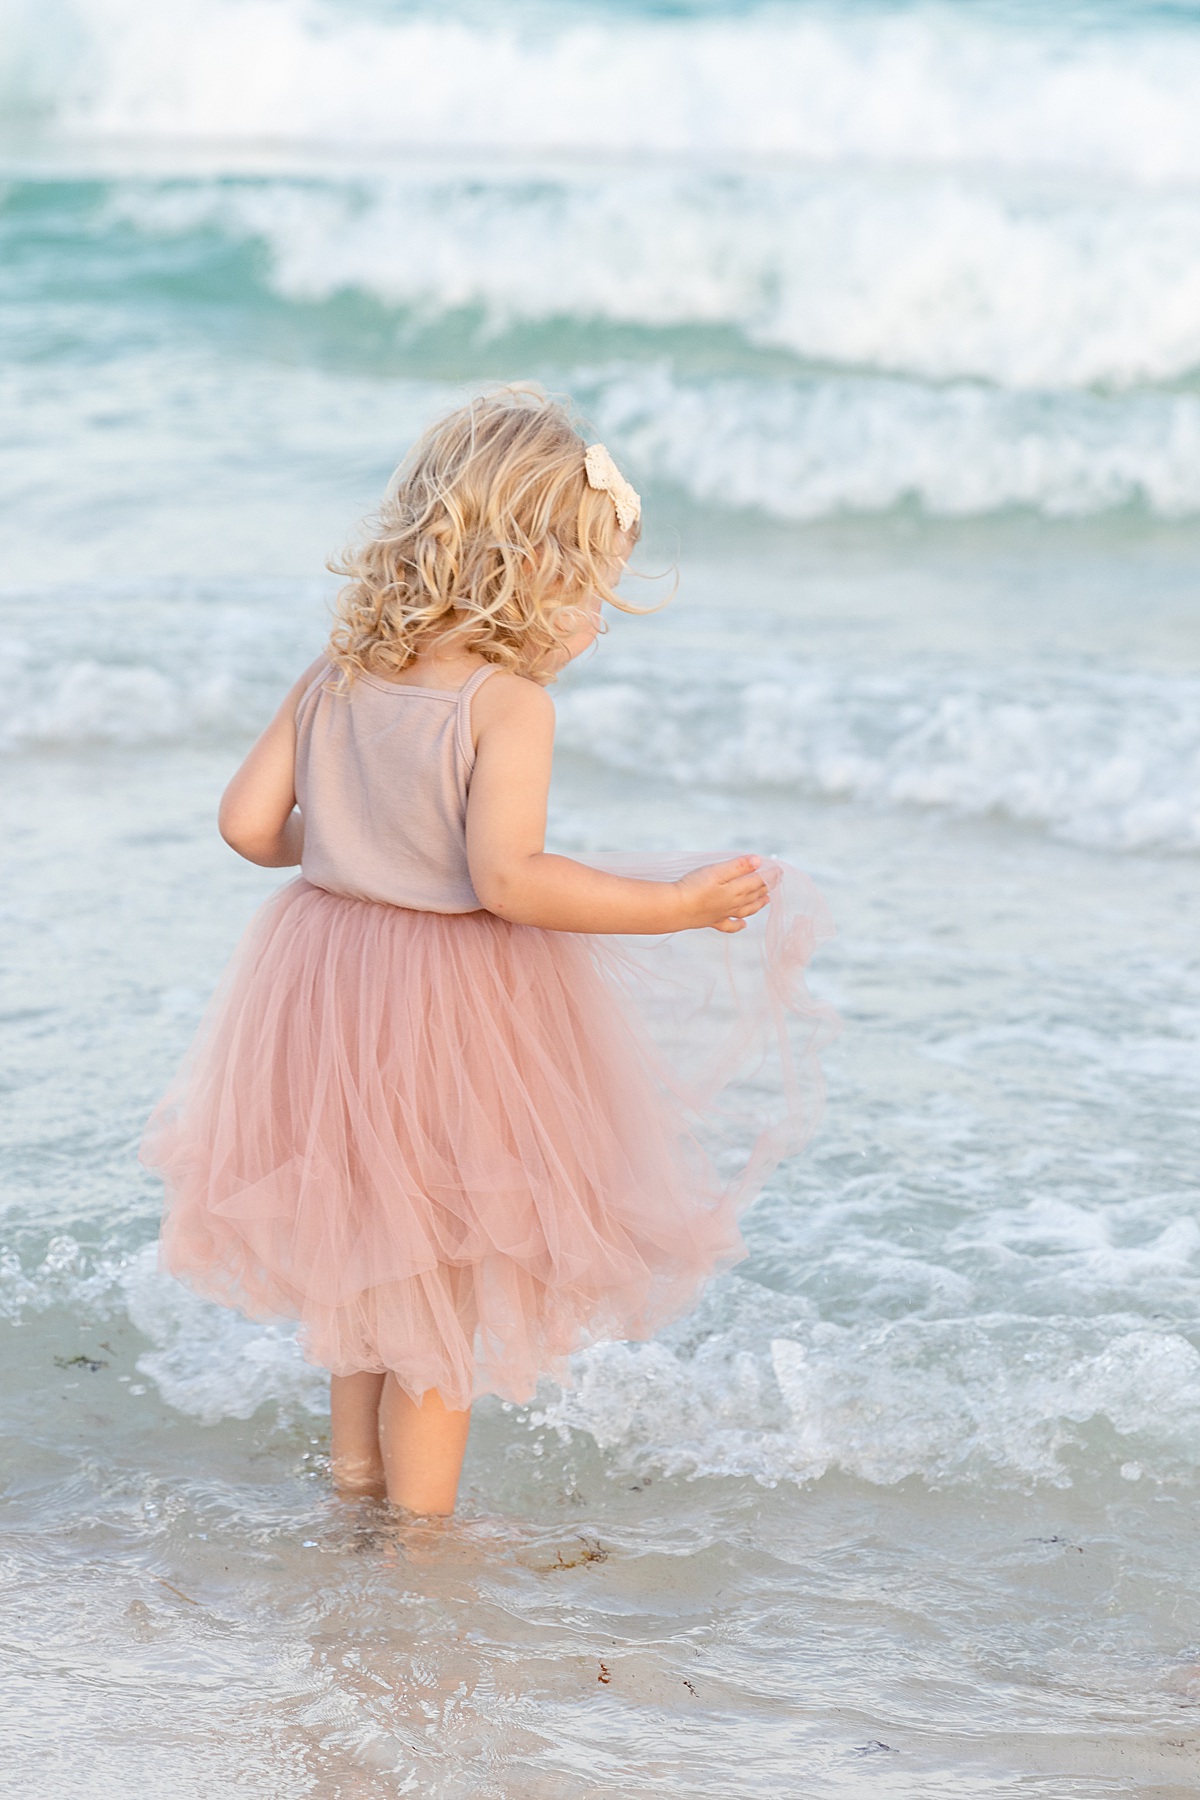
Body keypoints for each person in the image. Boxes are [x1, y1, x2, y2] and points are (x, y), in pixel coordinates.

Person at [141, 388, 834, 1517]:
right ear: (529, 575)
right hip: (447, 1008)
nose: (598, 625)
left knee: (368, 1261)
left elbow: (247, 826)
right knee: (438, 1293)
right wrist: (674, 905)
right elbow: (511, 881)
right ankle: (420, 1552)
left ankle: (353, 1493)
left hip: (322, 987)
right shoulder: (505, 705)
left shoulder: (340, 669)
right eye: (589, 594)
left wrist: (364, 848)